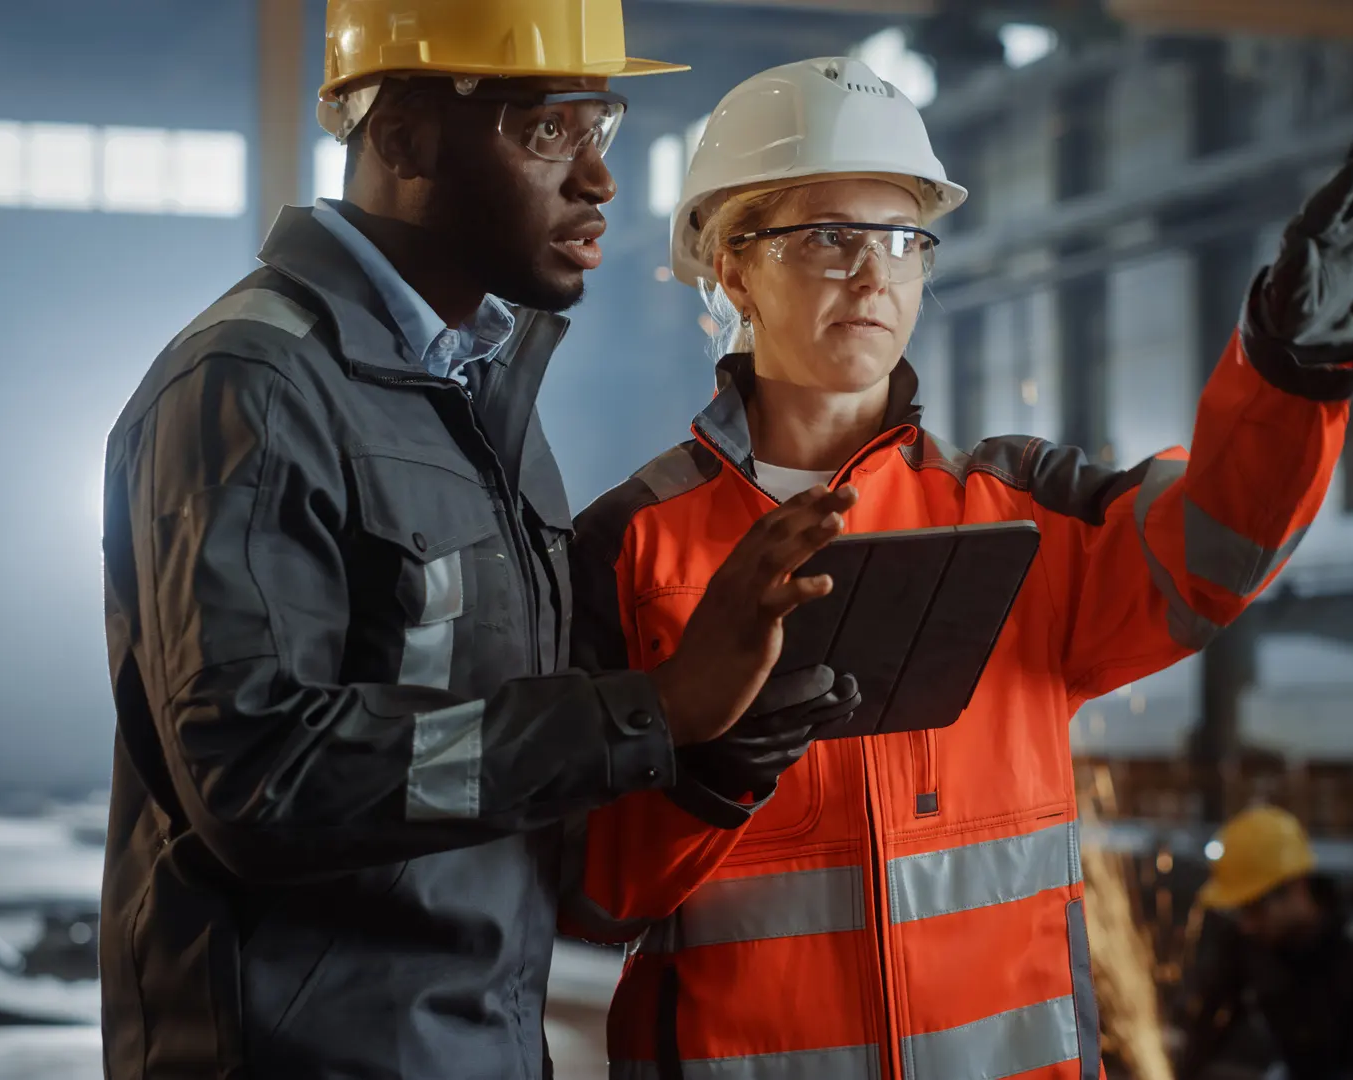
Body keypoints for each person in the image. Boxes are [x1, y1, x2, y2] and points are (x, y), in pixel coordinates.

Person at [563, 55, 1353, 1077]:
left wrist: (1287, 370)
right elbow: (584, 891)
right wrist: (705, 769)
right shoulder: (629, 549)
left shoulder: (1022, 515)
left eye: (902, 239)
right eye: (829, 235)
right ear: (733, 266)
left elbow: (1214, 549)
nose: (874, 272)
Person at [97, 4, 861, 1078]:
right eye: (548, 132)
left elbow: (482, 754)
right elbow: (261, 781)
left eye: (602, 125)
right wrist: (650, 710)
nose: (597, 179)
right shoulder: (256, 388)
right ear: (403, 136)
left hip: (482, 1045)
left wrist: (702, 749)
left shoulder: (472, 392)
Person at [1175, 807, 1353, 1080]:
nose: (1247, 924)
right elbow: (1208, 1023)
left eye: (1255, 910)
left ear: (1296, 887)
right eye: (1241, 912)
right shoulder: (1251, 941)